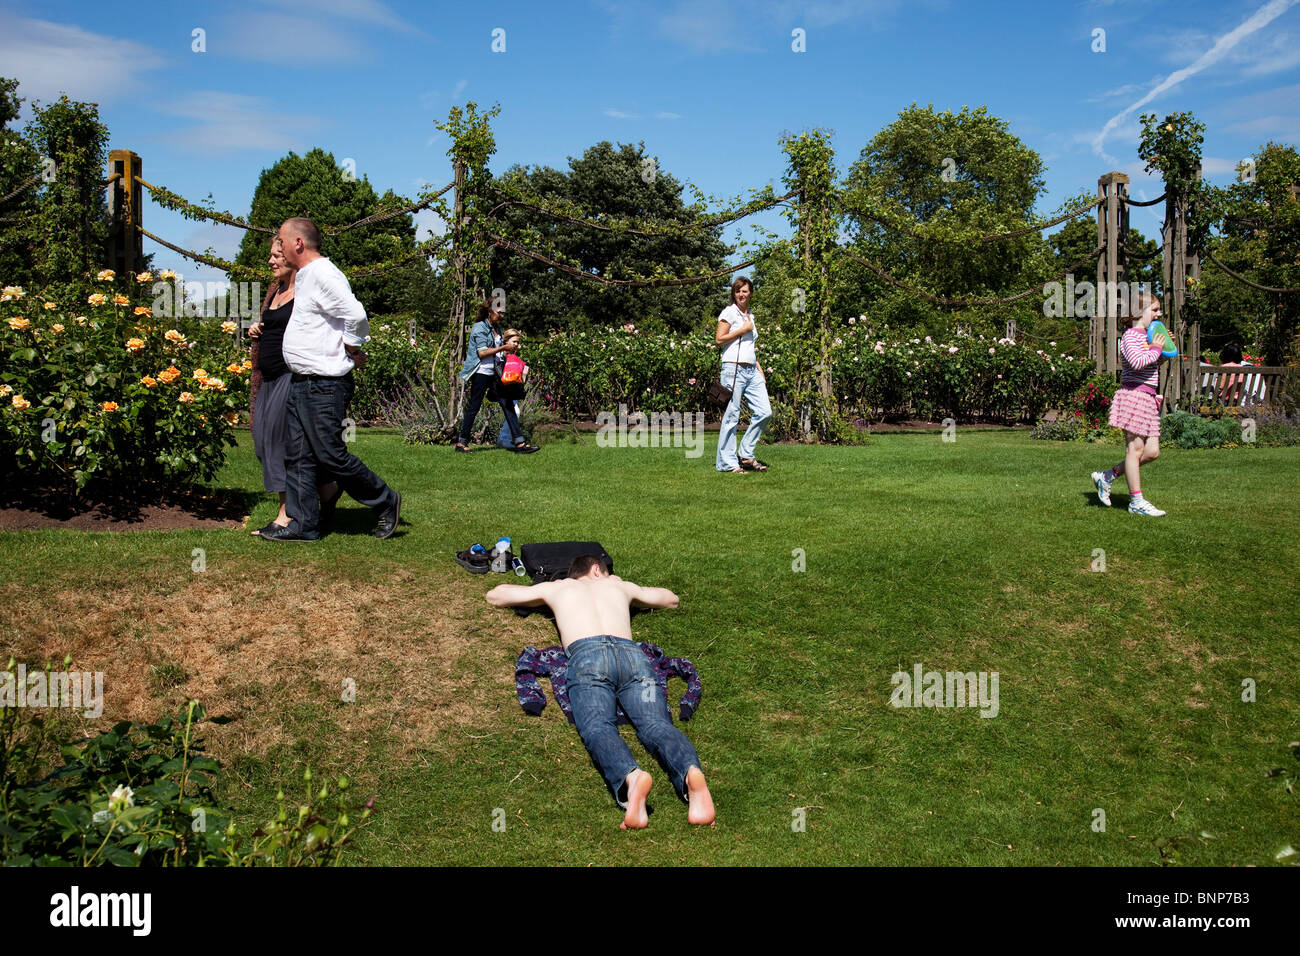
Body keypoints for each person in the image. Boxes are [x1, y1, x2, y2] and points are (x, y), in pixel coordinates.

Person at [485, 555, 715, 830]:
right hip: (635, 660)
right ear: (597, 569)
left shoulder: (559, 588)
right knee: (656, 724)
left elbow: (495, 596)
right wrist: (623, 585)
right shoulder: (620, 587)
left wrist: (546, 593)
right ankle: (691, 773)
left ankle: (631, 778)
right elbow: (671, 599)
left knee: (598, 727)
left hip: (588, 658)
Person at [260, 217, 401, 541]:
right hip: (301, 381)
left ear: (298, 243)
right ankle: (303, 524)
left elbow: (356, 316)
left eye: (281, 241)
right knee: (297, 455)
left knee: (330, 456)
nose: (278, 247)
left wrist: (352, 345)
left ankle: (386, 500)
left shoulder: (324, 273)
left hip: (323, 384)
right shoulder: (307, 275)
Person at [247, 241, 339, 536]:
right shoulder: (275, 290)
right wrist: (256, 329)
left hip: (292, 376)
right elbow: (271, 323)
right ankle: (327, 489)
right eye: (270, 255)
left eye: (276, 255)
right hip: (268, 378)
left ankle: (287, 512)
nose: (271, 261)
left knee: (278, 442)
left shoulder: (308, 290)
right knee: (263, 441)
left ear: (291, 256)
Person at [1092, 289, 1170, 517]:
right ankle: (1136, 501)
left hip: (1148, 398)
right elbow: (1137, 362)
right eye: (1154, 310)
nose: (1159, 314)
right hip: (1134, 397)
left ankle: (1107, 476)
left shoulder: (1145, 337)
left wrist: (1163, 350)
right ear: (1138, 311)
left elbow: (1151, 364)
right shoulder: (1131, 336)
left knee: (1152, 452)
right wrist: (1155, 348)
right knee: (1134, 450)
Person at [456, 303, 537, 454]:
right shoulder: (479, 327)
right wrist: (503, 348)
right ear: (490, 311)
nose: (502, 316)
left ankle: (519, 443)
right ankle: (461, 443)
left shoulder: (496, 329)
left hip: (494, 373)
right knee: (474, 407)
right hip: (480, 372)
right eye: (499, 313)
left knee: (507, 404)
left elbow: (497, 354)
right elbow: (482, 353)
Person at [715, 276, 771, 474]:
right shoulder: (729, 312)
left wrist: (759, 369)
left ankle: (746, 454)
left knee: (765, 411)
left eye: (744, 291)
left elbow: (750, 346)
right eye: (738, 291)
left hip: (751, 369)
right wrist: (742, 329)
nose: (741, 294)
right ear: (734, 293)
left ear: (751, 293)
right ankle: (727, 463)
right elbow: (719, 339)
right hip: (733, 369)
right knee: (731, 416)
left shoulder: (751, 316)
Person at [495, 328, 529, 449]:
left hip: (510, 388)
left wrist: (524, 373)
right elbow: (499, 371)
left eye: (518, 342)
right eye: (514, 341)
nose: (516, 345)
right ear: (506, 340)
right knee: (515, 411)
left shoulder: (512, 355)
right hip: (501, 388)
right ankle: (505, 439)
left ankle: (506, 439)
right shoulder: (499, 355)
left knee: (516, 412)